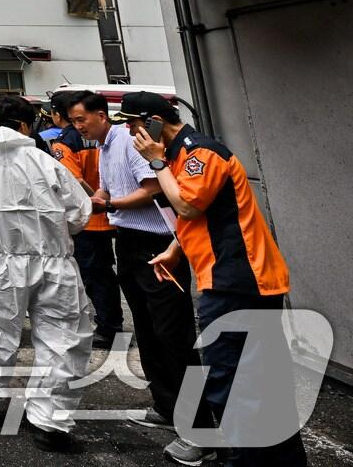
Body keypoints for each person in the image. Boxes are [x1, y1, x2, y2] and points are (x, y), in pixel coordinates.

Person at [126, 91, 308, 466]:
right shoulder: (180, 156)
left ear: (156, 122)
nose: (132, 133)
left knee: (231, 380)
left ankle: (243, 460)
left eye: (134, 124)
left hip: (237, 280)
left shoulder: (199, 154)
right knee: (261, 377)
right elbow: (202, 215)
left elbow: (189, 204)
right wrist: (176, 249)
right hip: (235, 278)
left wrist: (157, 163)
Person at [69, 90, 212, 465]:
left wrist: (110, 203)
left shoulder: (142, 146)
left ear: (101, 115)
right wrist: (96, 197)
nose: (77, 126)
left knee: (173, 333)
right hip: (129, 242)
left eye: (81, 119)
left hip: (160, 244)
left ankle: (200, 429)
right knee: (147, 330)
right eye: (72, 121)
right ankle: (166, 405)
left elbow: (152, 191)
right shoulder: (105, 145)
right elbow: (109, 188)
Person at [0, 94, 93, 453]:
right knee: (61, 336)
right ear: (27, 124)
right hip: (54, 261)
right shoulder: (46, 161)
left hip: (1, 261)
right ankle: (50, 421)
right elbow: (79, 212)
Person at [48, 90, 122, 350]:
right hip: (118, 214)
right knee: (109, 275)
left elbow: (73, 181)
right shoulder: (108, 135)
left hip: (90, 219)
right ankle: (113, 322)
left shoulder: (64, 142)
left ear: (58, 115)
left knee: (95, 276)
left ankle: (109, 327)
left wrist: (95, 204)